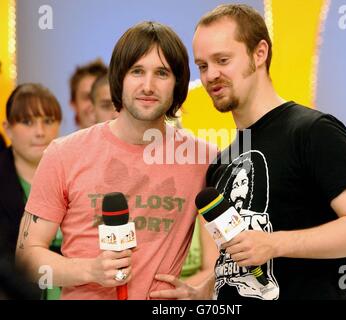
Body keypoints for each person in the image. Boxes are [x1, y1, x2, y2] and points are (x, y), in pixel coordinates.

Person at [150, 4, 346, 300]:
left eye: (222, 60)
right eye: (202, 66)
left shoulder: (313, 131)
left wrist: (275, 244)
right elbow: (238, 260)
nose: (211, 75)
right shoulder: (222, 163)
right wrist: (202, 292)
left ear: (259, 53)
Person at [15, 21, 217, 300]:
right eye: (137, 71)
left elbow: (232, 254)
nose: (148, 86)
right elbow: (26, 257)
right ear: (119, 78)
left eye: (161, 73)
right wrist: (89, 270)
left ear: (178, 84)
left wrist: (203, 292)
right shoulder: (63, 154)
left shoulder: (204, 158)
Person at [0, 84, 62, 260]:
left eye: (48, 121)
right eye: (28, 122)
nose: (40, 132)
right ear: (8, 129)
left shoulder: (77, 171)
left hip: (75, 284)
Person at [69, 59, 107, 130]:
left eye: (101, 98)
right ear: (74, 104)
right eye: (87, 97)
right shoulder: (62, 141)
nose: (94, 106)